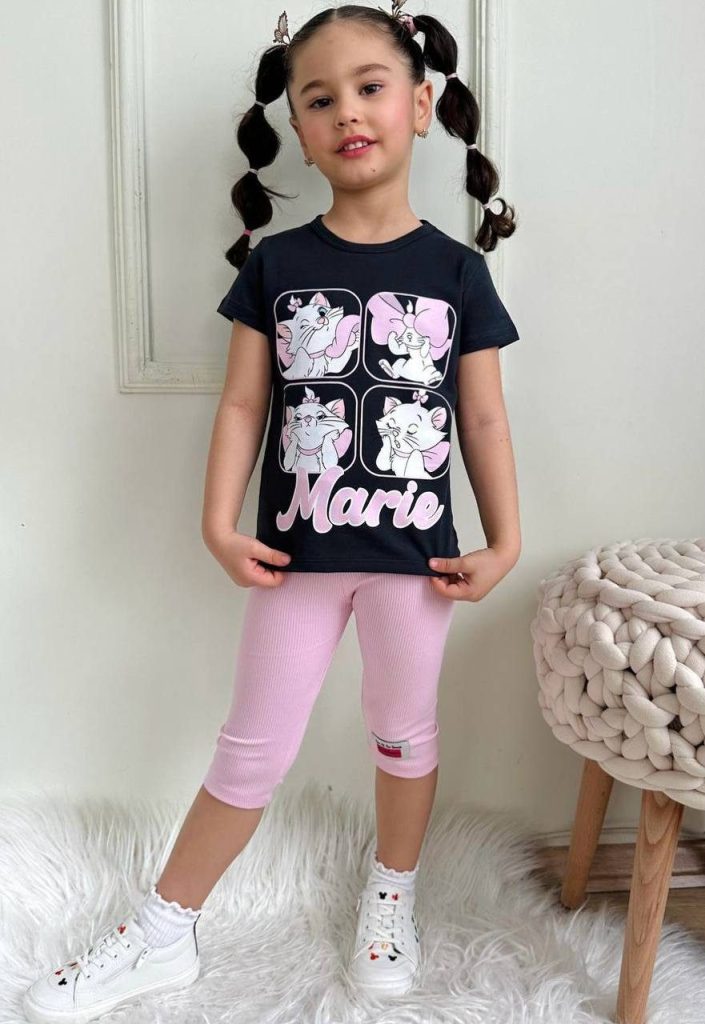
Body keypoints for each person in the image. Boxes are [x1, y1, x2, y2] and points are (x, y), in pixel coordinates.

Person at [23, 3, 522, 1020]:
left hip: (417, 565)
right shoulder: (277, 266)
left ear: (420, 104)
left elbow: (480, 415)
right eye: (320, 98)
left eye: (370, 87)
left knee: (403, 732)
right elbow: (244, 404)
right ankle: (164, 928)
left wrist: (505, 539)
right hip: (295, 559)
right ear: (297, 127)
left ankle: (391, 895)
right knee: (250, 747)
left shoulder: (456, 271)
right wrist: (218, 523)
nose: (349, 113)